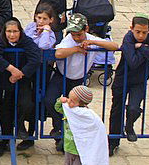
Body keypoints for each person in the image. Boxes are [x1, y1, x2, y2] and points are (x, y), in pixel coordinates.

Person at [46, 13, 118, 151]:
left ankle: (70, 137)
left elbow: (114, 46)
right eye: (73, 34)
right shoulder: (68, 40)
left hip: (78, 79)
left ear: (86, 29)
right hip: (62, 76)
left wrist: (94, 42)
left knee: (76, 109)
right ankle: (58, 129)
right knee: (50, 101)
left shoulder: (91, 39)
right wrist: (76, 49)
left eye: (79, 34)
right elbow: (58, 53)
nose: (76, 37)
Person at [107, 15, 149, 156]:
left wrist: (142, 47)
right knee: (117, 110)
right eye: (138, 31)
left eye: (144, 32)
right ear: (131, 29)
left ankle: (129, 125)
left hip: (139, 81)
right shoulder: (128, 38)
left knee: (134, 108)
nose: (141, 35)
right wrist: (147, 50)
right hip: (122, 78)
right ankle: (113, 141)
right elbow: (133, 61)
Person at [0, 18, 41, 156]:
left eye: (15, 31)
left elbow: (36, 57)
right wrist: (11, 69)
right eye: (9, 31)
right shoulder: (0, 40)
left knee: (27, 104)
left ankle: (20, 126)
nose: (12, 35)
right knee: (4, 111)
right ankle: (4, 140)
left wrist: (20, 74)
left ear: (20, 31)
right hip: (5, 82)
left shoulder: (26, 40)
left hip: (22, 81)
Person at [57, 85, 110, 165]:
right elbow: (58, 108)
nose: (69, 102)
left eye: (72, 101)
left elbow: (95, 131)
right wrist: (60, 100)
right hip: (68, 148)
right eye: (69, 98)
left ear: (81, 104)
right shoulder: (69, 110)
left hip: (80, 152)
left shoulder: (87, 116)